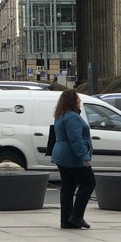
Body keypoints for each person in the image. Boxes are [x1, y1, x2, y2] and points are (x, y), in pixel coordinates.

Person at [50, 89, 94, 229]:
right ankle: (77, 216)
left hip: (61, 156)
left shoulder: (60, 115)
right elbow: (76, 140)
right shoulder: (72, 117)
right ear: (73, 100)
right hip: (72, 157)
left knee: (68, 187)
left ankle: (66, 220)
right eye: (78, 98)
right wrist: (84, 157)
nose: (79, 101)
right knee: (89, 183)